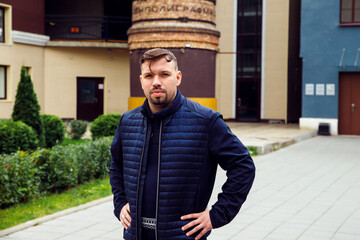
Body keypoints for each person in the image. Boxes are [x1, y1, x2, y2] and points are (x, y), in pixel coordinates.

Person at [110, 48, 255, 240]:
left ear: (178, 78)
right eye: (149, 75)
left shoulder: (205, 121)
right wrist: (120, 203)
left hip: (183, 236)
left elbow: (243, 166)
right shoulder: (128, 121)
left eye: (164, 74)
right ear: (141, 81)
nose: (156, 82)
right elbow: (116, 166)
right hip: (135, 235)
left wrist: (217, 215)